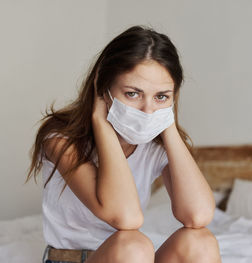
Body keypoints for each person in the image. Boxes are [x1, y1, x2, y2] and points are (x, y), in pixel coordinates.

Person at [26, 25, 221, 263]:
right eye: (133, 93)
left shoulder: (156, 147)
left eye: (161, 96)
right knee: (134, 246)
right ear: (103, 89)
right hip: (72, 259)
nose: (148, 110)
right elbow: (126, 218)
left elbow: (197, 215)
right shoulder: (61, 139)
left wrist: (167, 122)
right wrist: (100, 122)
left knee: (200, 242)